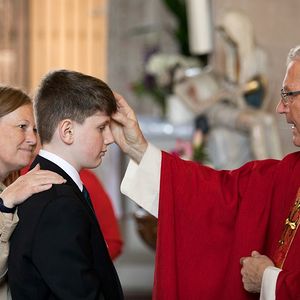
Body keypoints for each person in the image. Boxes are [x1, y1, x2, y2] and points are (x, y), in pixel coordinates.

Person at [111, 45, 300, 300]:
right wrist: (139, 150)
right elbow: (221, 196)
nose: (279, 107)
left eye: (288, 94)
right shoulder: (290, 172)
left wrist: (268, 280)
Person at [8, 70, 123, 299]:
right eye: (101, 128)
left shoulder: (58, 187)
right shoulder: (58, 203)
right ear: (67, 131)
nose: (110, 138)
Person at [0, 86, 66, 300]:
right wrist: (6, 203)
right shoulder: (11, 192)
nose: (32, 139)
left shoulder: (18, 182)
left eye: (35, 130)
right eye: (22, 127)